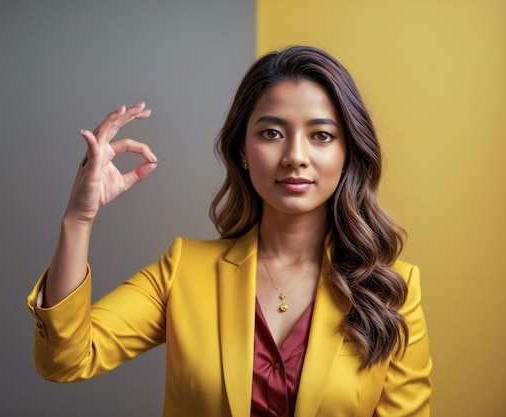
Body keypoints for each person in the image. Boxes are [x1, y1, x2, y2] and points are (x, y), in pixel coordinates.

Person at [27, 45, 432, 417]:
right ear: (241, 149)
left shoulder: (392, 291)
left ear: (347, 153)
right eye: (271, 133)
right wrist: (78, 219)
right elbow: (64, 359)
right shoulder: (184, 271)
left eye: (321, 136)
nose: (295, 157)